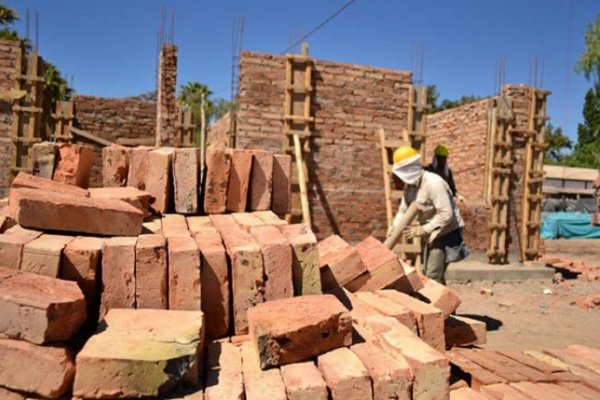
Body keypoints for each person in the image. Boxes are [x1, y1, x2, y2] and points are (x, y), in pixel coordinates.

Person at [387, 145, 467, 284]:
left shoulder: (434, 183)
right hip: (431, 232)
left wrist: (423, 229)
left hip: (446, 232)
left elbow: (446, 214)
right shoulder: (411, 187)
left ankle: (438, 304)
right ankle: (441, 302)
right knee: (428, 272)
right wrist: (394, 226)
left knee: (432, 275)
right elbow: (403, 210)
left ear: (407, 170)